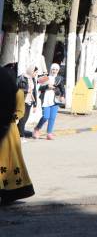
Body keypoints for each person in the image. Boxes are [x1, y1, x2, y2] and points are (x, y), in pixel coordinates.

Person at [0, 67, 35, 205]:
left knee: (10, 161)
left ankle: (11, 192)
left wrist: (9, 116)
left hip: (9, 131)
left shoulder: (18, 93)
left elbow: (20, 112)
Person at [33, 64, 65, 140]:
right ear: (50, 69)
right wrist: (47, 86)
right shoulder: (45, 77)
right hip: (46, 100)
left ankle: (49, 133)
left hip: (55, 100)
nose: (54, 71)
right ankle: (37, 129)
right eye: (53, 69)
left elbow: (62, 88)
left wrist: (62, 96)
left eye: (56, 70)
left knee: (52, 117)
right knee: (45, 117)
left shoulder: (59, 78)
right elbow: (38, 87)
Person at [16, 66, 38, 139]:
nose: (36, 74)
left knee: (25, 119)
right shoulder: (21, 78)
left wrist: (35, 104)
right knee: (22, 119)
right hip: (22, 100)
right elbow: (17, 89)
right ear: (31, 71)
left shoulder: (33, 79)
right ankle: (21, 136)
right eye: (35, 72)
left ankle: (14, 132)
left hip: (29, 101)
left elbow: (34, 92)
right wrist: (26, 91)